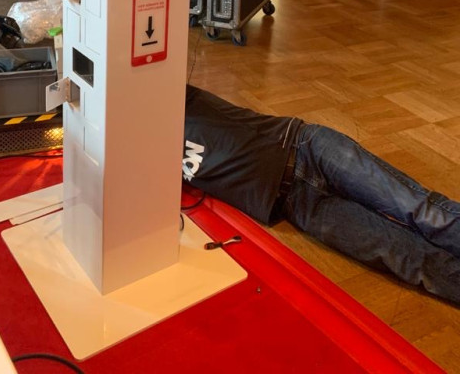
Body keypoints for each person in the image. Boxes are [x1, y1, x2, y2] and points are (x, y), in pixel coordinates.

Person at [183, 84, 460, 306]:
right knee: (407, 257)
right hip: (296, 205)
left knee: (422, 210)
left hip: (309, 147)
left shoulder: (179, 98)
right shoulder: (159, 167)